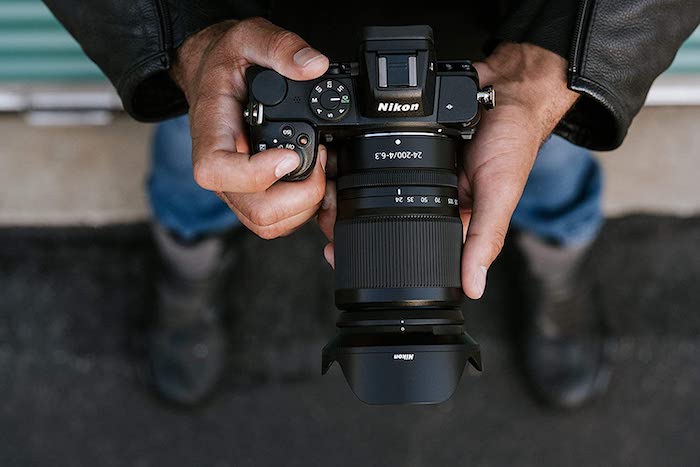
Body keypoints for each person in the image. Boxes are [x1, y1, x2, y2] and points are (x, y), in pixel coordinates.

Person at [43, 1, 699, 407]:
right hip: (243, 41)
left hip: (511, 46)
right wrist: (185, 37)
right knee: (206, 166)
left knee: (547, 169)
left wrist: (564, 61)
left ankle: (558, 277)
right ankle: (189, 274)